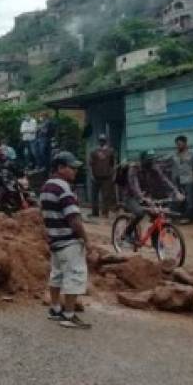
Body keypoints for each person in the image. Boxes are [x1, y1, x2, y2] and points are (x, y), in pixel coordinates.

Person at [41, 152, 91, 330]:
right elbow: (74, 219)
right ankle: (68, 315)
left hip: (55, 240)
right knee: (75, 276)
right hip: (69, 241)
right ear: (61, 168)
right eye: (72, 167)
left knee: (57, 275)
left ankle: (55, 309)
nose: (75, 171)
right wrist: (86, 240)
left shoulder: (46, 187)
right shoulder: (64, 189)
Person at [123, 150, 181, 244]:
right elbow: (134, 185)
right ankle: (127, 233)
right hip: (131, 196)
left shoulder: (154, 168)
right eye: (148, 161)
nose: (151, 163)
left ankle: (155, 242)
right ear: (143, 160)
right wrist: (141, 197)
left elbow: (164, 180)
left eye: (152, 160)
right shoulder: (134, 169)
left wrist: (176, 191)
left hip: (146, 196)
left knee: (157, 215)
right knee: (139, 213)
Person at [170, 135, 193, 225]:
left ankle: (187, 217)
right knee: (176, 198)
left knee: (189, 200)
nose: (178, 146)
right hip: (176, 179)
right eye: (177, 144)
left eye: (179, 144)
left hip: (188, 179)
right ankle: (174, 217)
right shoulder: (174, 154)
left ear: (185, 143)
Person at [89, 134, 116, 218]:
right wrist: (91, 175)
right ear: (98, 141)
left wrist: (113, 174)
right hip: (96, 176)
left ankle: (105, 213)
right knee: (94, 195)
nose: (102, 142)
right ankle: (95, 212)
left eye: (103, 140)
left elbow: (113, 163)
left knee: (106, 196)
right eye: (100, 140)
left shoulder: (110, 151)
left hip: (107, 177)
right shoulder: (93, 151)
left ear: (106, 141)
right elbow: (90, 164)